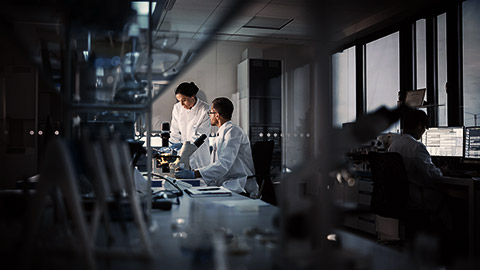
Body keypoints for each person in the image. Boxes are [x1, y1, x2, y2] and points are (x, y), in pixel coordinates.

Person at [175, 97, 259, 196]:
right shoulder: (221, 133)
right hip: (226, 184)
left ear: (217, 115)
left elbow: (224, 164)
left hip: (239, 185)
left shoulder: (233, 132)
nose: (209, 116)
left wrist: (195, 174)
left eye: (210, 113)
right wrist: (196, 173)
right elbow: (215, 165)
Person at [388, 109, 444, 212]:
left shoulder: (393, 146)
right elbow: (434, 175)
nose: (423, 131)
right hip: (415, 198)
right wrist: (442, 171)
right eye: (424, 127)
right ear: (419, 126)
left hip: (397, 197)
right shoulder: (417, 147)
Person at [169, 82, 211, 169]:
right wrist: (173, 145)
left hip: (199, 156)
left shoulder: (205, 109)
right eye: (179, 101)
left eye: (184, 100)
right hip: (182, 155)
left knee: (199, 180)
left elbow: (201, 136)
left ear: (192, 96)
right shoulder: (177, 108)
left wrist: (183, 145)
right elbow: (174, 131)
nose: (181, 104)